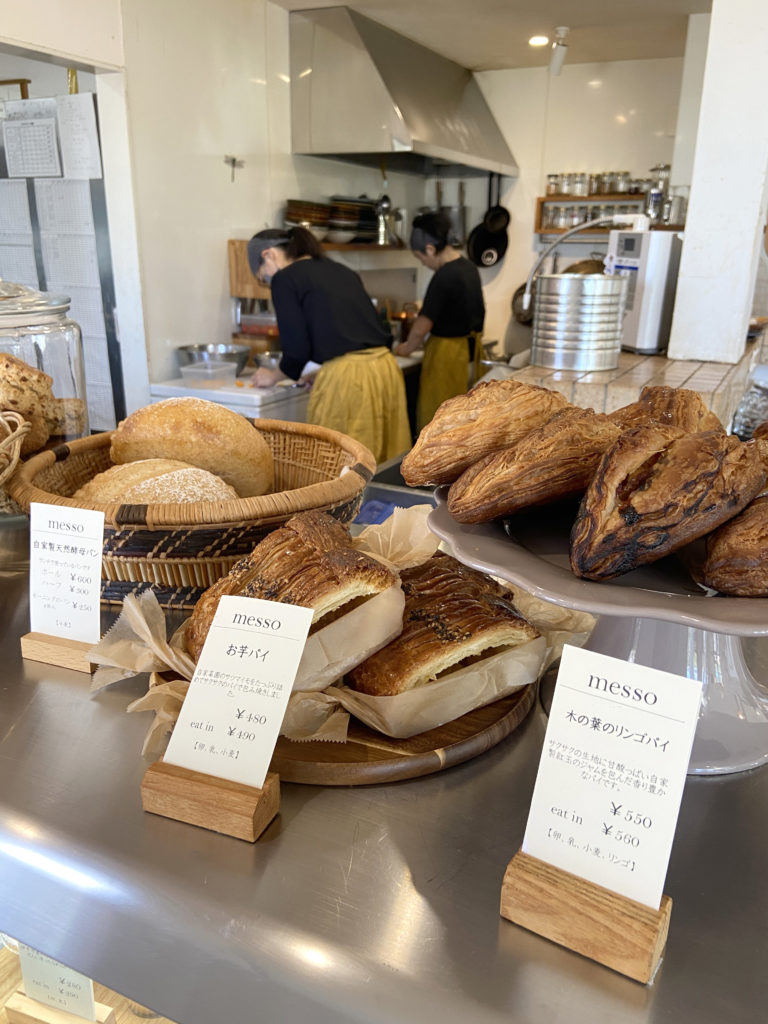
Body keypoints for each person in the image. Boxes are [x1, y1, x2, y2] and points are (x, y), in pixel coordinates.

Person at [247, 226, 411, 463]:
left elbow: (296, 350)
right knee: (383, 461)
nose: (270, 281)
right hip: (385, 369)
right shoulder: (342, 271)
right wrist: (322, 371)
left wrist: (273, 376)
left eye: (264, 277)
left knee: (342, 468)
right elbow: (350, 336)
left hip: (349, 382)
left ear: (268, 255)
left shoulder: (285, 278)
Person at [393, 211, 485, 431]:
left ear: (431, 249)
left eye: (421, 257)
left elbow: (422, 326)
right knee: (462, 423)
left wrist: (405, 348)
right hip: (471, 353)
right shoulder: (468, 267)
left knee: (440, 423)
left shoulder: (444, 276)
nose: (424, 264)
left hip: (447, 357)